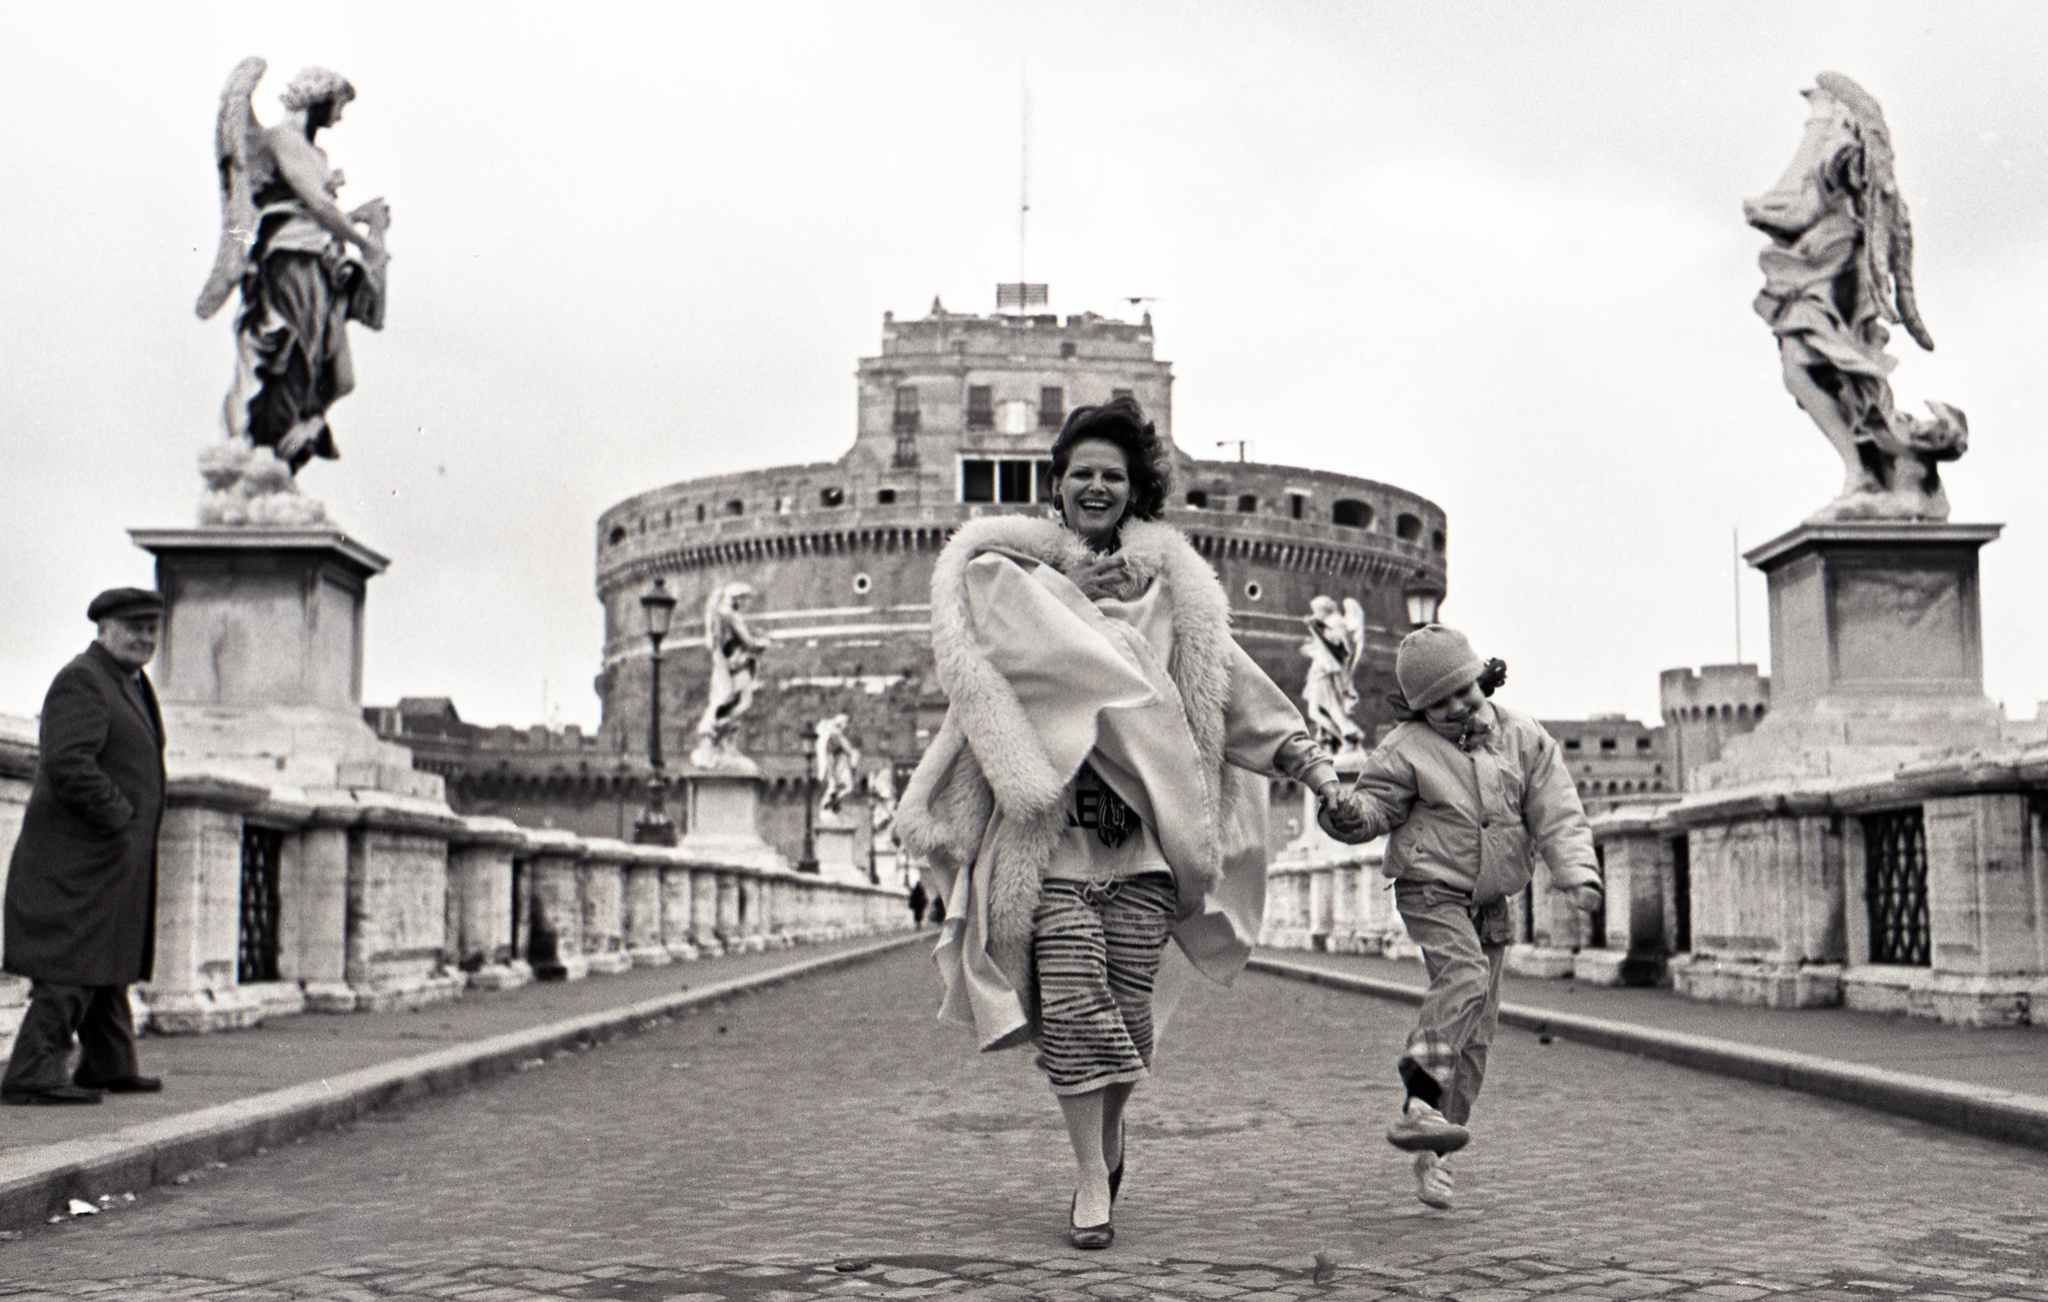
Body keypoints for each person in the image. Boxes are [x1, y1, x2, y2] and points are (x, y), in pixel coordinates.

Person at [898, 396, 1365, 1249]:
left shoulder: (1176, 596)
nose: (1097, 487)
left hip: (1147, 848)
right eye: (1082, 474)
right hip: (1052, 844)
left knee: (1126, 1011)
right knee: (1074, 1000)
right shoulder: (1005, 575)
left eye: (1113, 475)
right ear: (1059, 486)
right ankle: (1087, 1179)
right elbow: (993, 647)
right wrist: (1070, 590)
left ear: (1134, 489)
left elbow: (1239, 696)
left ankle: (1108, 1137)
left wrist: (1319, 771)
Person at [1320, 623, 1601, 1209]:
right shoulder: (1406, 748)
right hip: (1431, 889)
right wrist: (1348, 817)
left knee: (1477, 1038)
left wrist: (1575, 871)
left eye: (1461, 691)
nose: (1453, 707)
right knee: (1464, 979)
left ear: (1482, 678)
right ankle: (1419, 1098)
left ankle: (1435, 1154)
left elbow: (1557, 811)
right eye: (1436, 702)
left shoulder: (1524, 737)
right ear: (1417, 708)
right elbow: (1375, 806)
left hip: (1491, 901)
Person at [2, 589, 170, 1105]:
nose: (145, 638)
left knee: (108, 959)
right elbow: (68, 761)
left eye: (151, 629)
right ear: (104, 629)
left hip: (107, 858)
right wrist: (121, 817)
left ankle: (107, 1064)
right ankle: (31, 1071)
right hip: (77, 856)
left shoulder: (130, 684)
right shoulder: (83, 679)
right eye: (133, 627)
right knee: (70, 965)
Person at [199, 63, 391, 472]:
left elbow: (320, 210)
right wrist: (363, 245)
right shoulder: (279, 140)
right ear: (319, 99)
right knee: (292, 354)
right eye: (338, 105)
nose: (339, 116)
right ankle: (268, 448)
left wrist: (360, 221)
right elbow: (318, 206)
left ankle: (288, 442)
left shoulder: (316, 153)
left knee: (332, 373)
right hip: (288, 259)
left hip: (319, 263)